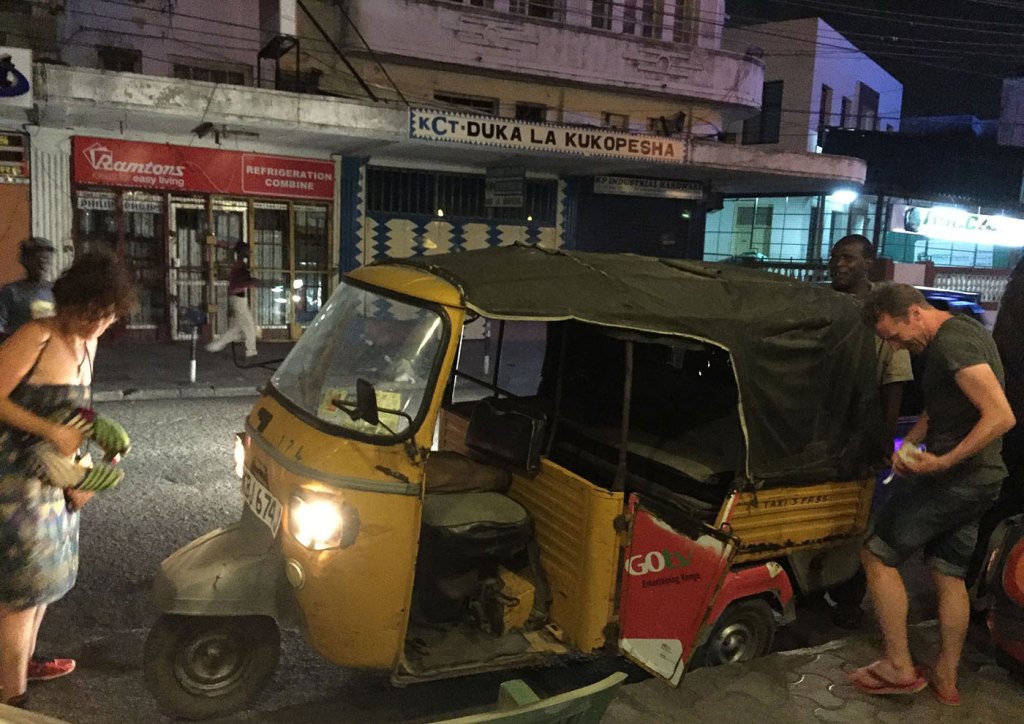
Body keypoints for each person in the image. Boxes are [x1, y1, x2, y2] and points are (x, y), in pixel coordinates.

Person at [850, 283, 1015, 705]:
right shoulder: (962, 332)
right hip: (982, 482)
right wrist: (914, 442)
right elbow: (943, 405)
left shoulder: (951, 342)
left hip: (955, 481)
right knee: (948, 572)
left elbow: (1000, 415)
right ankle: (946, 677)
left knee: (876, 552)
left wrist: (942, 462)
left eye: (893, 335)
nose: (895, 346)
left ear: (914, 314)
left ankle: (899, 667)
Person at [0, 250, 136, 708]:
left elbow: (72, 411)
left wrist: (91, 451)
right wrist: (47, 430)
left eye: (108, 317)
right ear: (70, 304)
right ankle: (11, 698)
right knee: (19, 591)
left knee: (44, 585)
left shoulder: (89, 343)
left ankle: (21, 662)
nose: (99, 326)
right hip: (15, 479)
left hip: (57, 478)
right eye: (91, 315)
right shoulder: (37, 335)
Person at [968, 254, 1024, 586]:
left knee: (996, 509)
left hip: (1010, 419)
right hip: (1015, 422)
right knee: (1005, 508)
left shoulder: (1013, 301)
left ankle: (981, 585)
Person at [205, 242, 258, 358]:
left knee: (235, 328)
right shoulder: (240, 266)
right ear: (242, 252)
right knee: (249, 326)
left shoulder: (238, 265)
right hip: (239, 299)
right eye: (247, 251)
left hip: (237, 298)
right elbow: (242, 282)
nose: (249, 254)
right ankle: (251, 352)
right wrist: (255, 282)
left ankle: (216, 345)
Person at [0, 237, 56, 342]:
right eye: (38, 261)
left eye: (46, 260)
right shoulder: (11, 292)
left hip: (50, 352)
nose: (43, 264)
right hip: (19, 350)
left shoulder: (58, 291)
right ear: (25, 261)